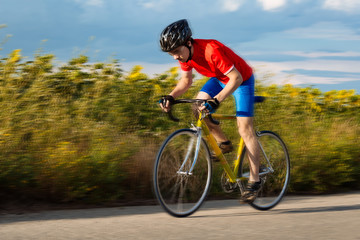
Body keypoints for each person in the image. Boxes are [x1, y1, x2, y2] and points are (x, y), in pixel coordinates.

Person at [158, 19, 261, 203]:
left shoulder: (211, 51)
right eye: (171, 53)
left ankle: (255, 180)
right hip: (219, 78)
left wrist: (216, 100)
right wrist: (171, 96)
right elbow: (186, 81)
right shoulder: (186, 55)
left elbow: (235, 78)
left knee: (244, 128)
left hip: (241, 79)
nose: (174, 57)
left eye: (176, 51)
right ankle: (224, 143)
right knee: (197, 108)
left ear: (188, 43)